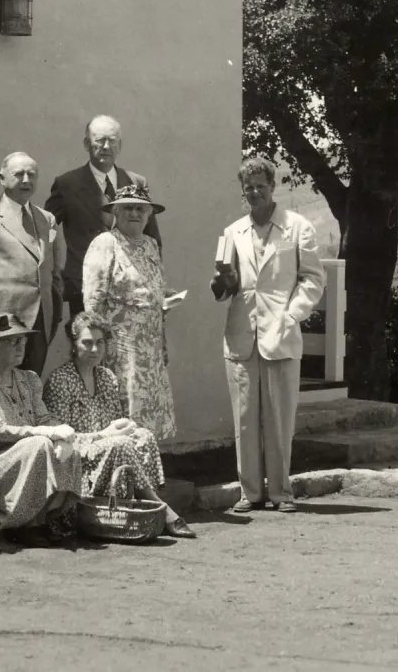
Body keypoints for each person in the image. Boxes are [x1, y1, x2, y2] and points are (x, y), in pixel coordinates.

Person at [212, 157, 326, 514]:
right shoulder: (233, 232)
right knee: (245, 417)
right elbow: (225, 288)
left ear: (272, 186)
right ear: (242, 191)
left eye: (261, 185)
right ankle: (250, 493)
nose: (255, 192)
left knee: (279, 418)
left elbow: (313, 279)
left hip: (281, 332)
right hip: (242, 334)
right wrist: (222, 284)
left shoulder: (297, 227)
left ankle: (280, 492)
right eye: (249, 187)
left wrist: (292, 315)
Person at [43, 312, 195, 538]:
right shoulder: (59, 380)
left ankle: (138, 507)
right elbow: (60, 438)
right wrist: (104, 435)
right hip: (77, 460)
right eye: (87, 343)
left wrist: (126, 426)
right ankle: (162, 510)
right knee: (122, 444)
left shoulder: (106, 377)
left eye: (100, 342)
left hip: (107, 452)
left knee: (143, 436)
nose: (95, 349)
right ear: (73, 345)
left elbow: (114, 421)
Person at [0, 315, 82, 548]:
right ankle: (22, 525)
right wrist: (45, 433)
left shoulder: (29, 379)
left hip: (24, 462)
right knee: (39, 444)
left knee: (65, 444)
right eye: (12, 341)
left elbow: (44, 418)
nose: (21, 346)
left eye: (23, 341)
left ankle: (45, 517)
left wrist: (61, 430)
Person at [82, 184, 178, 440]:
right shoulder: (106, 243)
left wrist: (165, 295)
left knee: (150, 412)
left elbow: (151, 285)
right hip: (121, 347)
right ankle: (126, 473)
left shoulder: (150, 244)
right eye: (127, 208)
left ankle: (149, 470)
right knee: (125, 410)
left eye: (140, 209)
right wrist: (97, 348)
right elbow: (92, 300)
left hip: (152, 346)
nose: (134, 213)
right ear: (115, 212)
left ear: (149, 214)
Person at [45, 115, 161, 318]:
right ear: (87, 143)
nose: (106, 146)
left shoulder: (136, 182)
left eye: (112, 140)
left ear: (120, 145)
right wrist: (57, 273)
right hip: (85, 287)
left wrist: (154, 282)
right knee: (90, 347)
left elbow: (152, 238)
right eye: (99, 140)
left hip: (131, 290)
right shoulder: (67, 184)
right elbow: (46, 232)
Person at [0, 151, 61, 375]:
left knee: (30, 389)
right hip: (0, 326)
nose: (26, 180)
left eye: (31, 175)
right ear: (2, 178)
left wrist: (53, 316)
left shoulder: (47, 220)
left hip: (39, 324)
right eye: (19, 174)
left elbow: (54, 273)